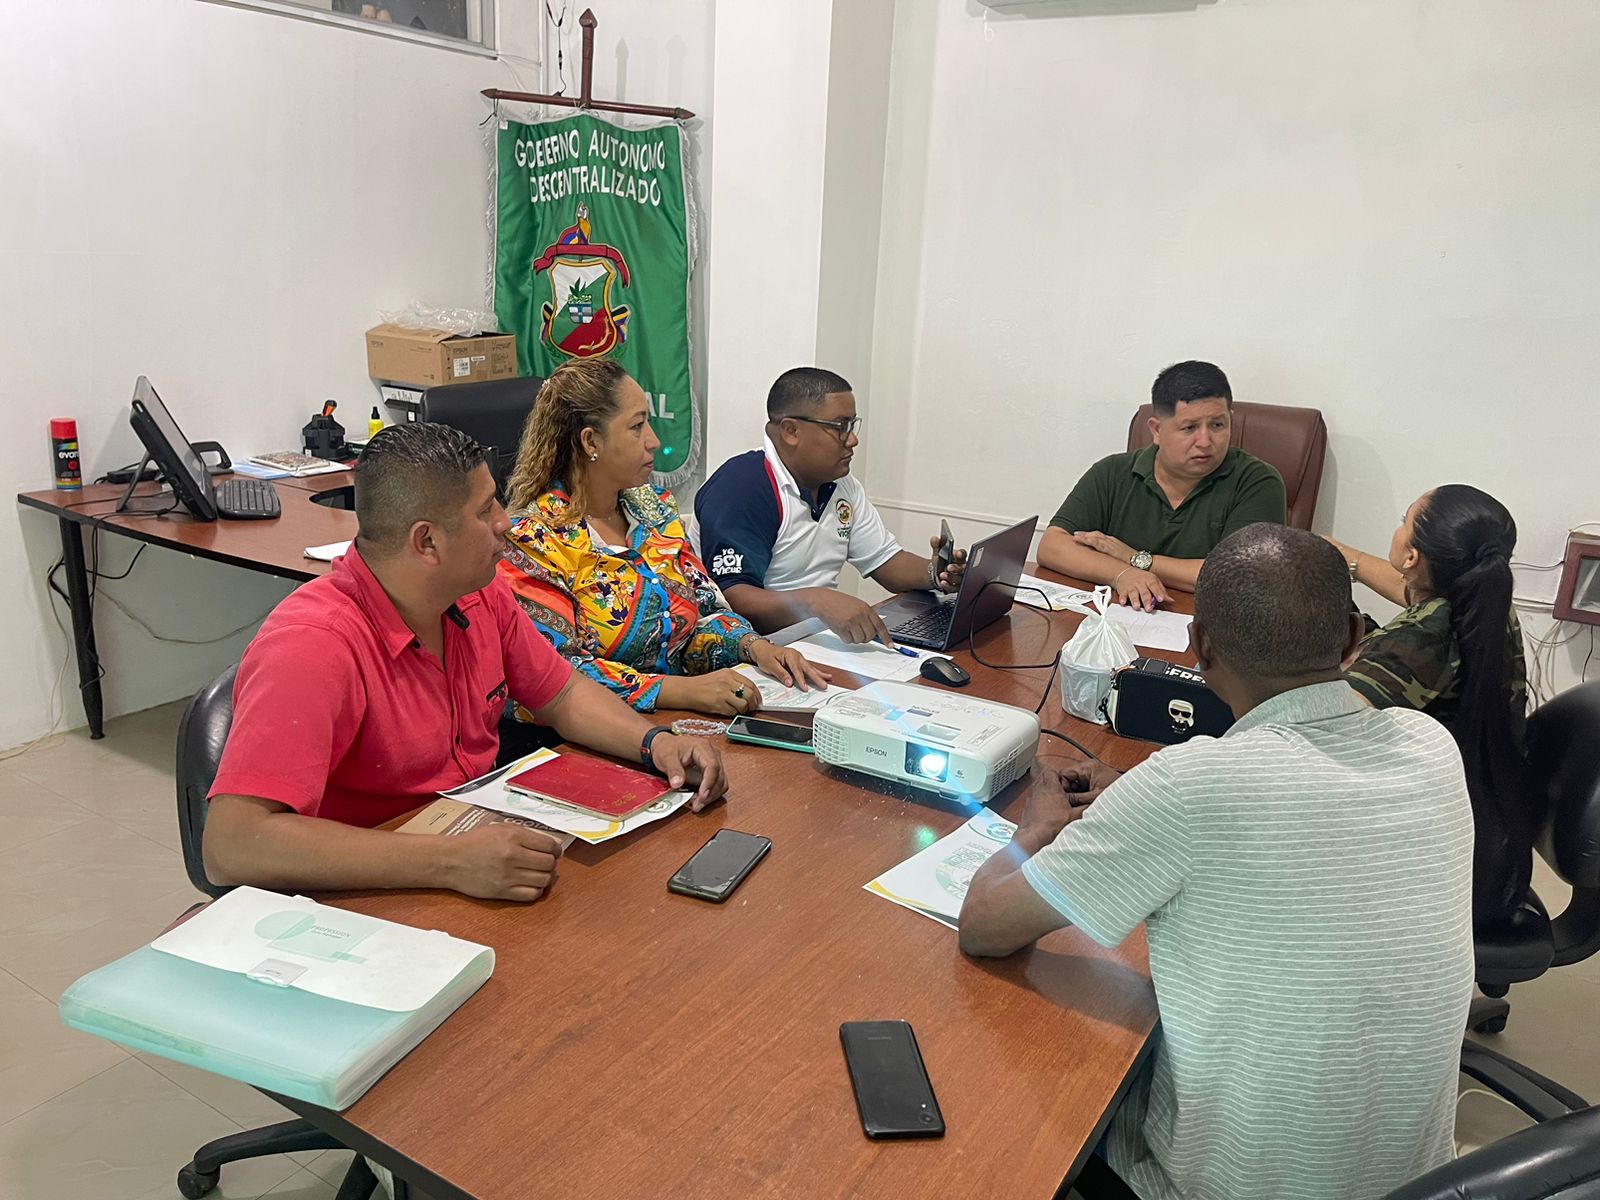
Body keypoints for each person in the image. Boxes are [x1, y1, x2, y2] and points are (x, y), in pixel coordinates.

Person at [960, 523, 1474, 1200]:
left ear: (1199, 646)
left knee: (1024, 1080)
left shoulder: (1189, 787)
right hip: (1412, 1180)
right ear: (1355, 638)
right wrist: (1142, 795)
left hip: (1225, 1188)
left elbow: (984, 927)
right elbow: (1287, 816)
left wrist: (1034, 831)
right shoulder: (1431, 745)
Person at [203, 422, 728, 902]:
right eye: (485, 511)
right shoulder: (312, 645)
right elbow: (231, 845)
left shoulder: (478, 592)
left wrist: (655, 743)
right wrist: (449, 862)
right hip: (370, 892)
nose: (506, 523)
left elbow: (562, 694)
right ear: (427, 541)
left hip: (470, 856)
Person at [498, 359, 829, 716]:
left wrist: (756, 647)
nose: (654, 441)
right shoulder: (531, 540)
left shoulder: (654, 510)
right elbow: (556, 675)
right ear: (591, 441)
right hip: (591, 733)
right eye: (637, 426)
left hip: (682, 718)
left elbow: (704, 611)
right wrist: (681, 691)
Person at [1326, 485, 1535, 923]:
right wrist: (1343, 555)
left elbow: (1323, 725)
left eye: (1404, 520)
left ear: (1412, 557)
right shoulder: (1482, 602)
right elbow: (1409, 592)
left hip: (1429, 864)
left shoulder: (1426, 637)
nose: (1398, 526)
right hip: (1489, 827)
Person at [692, 367, 965, 644]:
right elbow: (731, 599)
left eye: (852, 425)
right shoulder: (741, 488)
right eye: (840, 427)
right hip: (749, 650)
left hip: (818, 642)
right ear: (791, 431)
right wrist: (815, 601)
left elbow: (885, 561)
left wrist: (937, 573)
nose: (853, 439)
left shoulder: (842, 484)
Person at [1037, 361, 1286, 611]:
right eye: (1189, 428)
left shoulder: (1257, 481)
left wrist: (1134, 558)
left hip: (1209, 625)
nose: (1205, 441)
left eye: (1217, 425)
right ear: (1156, 430)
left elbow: (1240, 576)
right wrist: (1121, 573)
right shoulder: (1112, 472)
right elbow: (1052, 546)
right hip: (1120, 619)